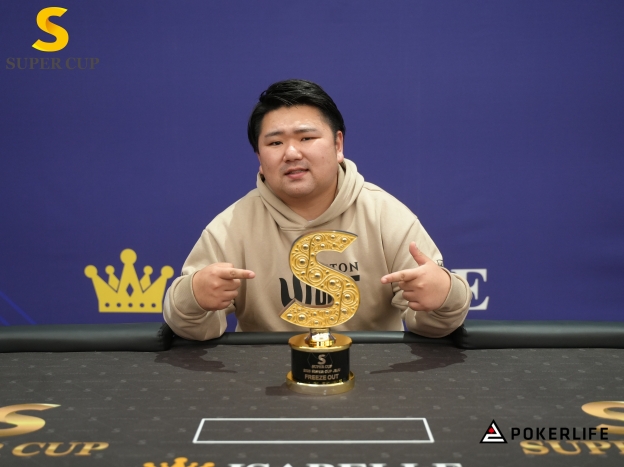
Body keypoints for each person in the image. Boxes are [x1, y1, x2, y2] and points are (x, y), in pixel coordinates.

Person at [163, 79, 471, 340]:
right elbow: (191, 328)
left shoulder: (386, 216)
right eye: (275, 143)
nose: (291, 153)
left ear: (338, 145)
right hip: (263, 381)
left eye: (306, 138)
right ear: (259, 157)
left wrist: (445, 295)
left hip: (372, 378)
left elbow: (434, 326)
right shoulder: (231, 227)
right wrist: (194, 297)